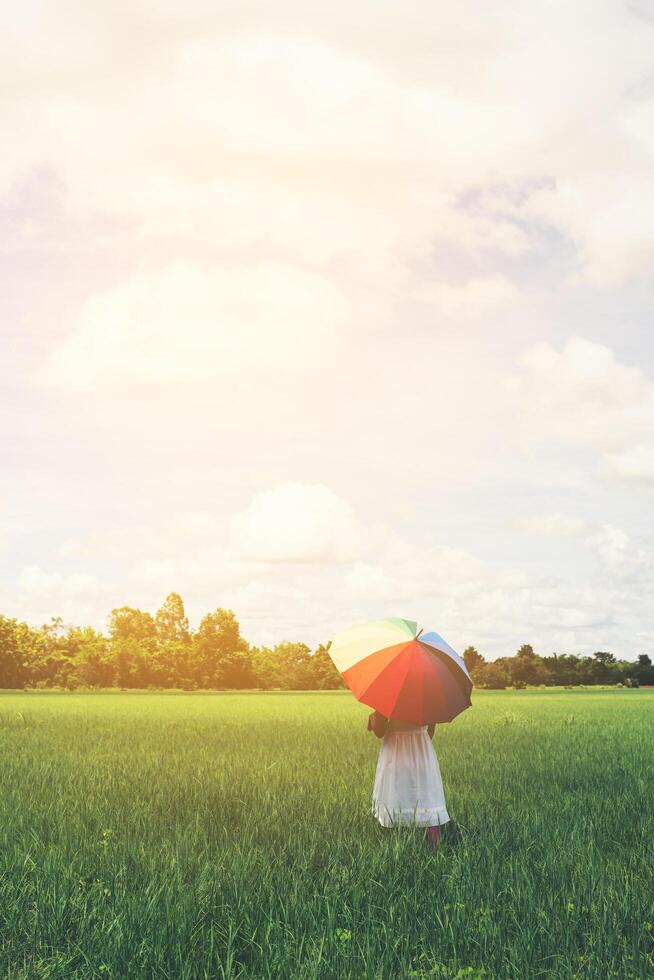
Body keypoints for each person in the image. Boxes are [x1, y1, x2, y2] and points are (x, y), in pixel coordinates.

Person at [367, 709, 450, 850]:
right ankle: (435, 847)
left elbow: (379, 732)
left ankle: (395, 846)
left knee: (395, 793)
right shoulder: (427, 695)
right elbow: (430, 731)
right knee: (426, 795)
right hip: (422, 750)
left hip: (395, 751)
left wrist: (374, 718)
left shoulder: (389, 694)